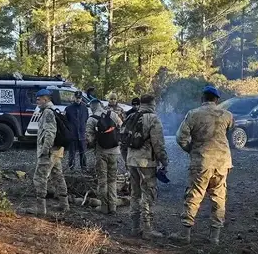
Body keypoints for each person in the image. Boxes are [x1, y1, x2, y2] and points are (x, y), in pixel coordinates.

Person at [170, 86, 234, 245]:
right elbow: (229, 131)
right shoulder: (227, 115)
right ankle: (215, 237)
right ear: (217, 100)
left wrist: (191, 150)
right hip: (223, 162)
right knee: (219, 197)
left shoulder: (193, 114)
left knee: (194, 195)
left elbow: (180, 137)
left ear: (202, 98)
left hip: (202, 161)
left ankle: (185, 234)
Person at [123, 94, 168, 239]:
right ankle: (148, 229)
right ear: (152, 104)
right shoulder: (153, 119)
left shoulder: (130, 117)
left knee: (134, 194)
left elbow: (122, 140)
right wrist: (164, 162)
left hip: (131, 161)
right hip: (146, 162)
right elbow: (158, 144)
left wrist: (126, 159)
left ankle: (135, 227)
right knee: (148, 194)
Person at [30, 89, 69, 216]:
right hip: (56, 150)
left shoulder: (47, 112)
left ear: (45, 99)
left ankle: (40, 210)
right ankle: (64, 205)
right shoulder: (53, 110)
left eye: (38, 99)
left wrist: (45, 150)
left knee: (39, 178)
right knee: (58, 176)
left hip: (49, 152)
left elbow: (50, 132)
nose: (37, 101)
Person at [86, 100, 123, 214]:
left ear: (92, 107)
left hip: (101, 152)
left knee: (102, 180)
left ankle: (104, 207)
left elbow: (89, 138)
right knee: (112, 180)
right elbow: (121, 126)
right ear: (101, 105)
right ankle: (113, 206)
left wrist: (93, 144)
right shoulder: (113, 114)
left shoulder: (91, 119)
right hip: (115, 151)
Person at [65, 91, 89, 170]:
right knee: (72, 152)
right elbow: (66, 121)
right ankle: (71, 167)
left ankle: (84, 167)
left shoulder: (85, 108)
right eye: (77, 98)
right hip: (72, 134)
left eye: (79, 98)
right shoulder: (68, 109)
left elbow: (86, 120)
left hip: (82, 134)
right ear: (74, 98)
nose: (78, 99)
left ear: (81, 98)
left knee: (83, 152)